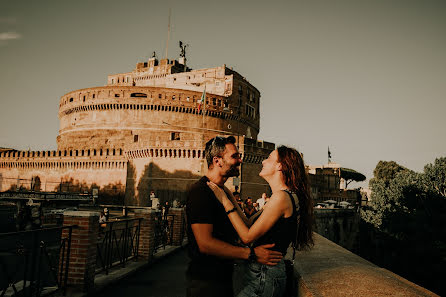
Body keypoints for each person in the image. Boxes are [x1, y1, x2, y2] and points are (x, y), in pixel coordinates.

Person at [208, 146, 314, 297]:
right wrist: (230, 196)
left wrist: (224, 201)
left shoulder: (281, 198)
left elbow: (247, 237)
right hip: (263, 275)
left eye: (269, 158)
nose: (263, 161)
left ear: (280, 166)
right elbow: (249, 223)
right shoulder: (283, 196)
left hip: (265, 277)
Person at [186, 136, 283, 297]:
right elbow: (205, 243)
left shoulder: (223, 192)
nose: (240, 160)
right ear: (217, 161)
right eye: (234, 156)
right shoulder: (200, 192)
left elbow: (245, 225)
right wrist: (251, 254)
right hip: (205, 284)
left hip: (223, 279)